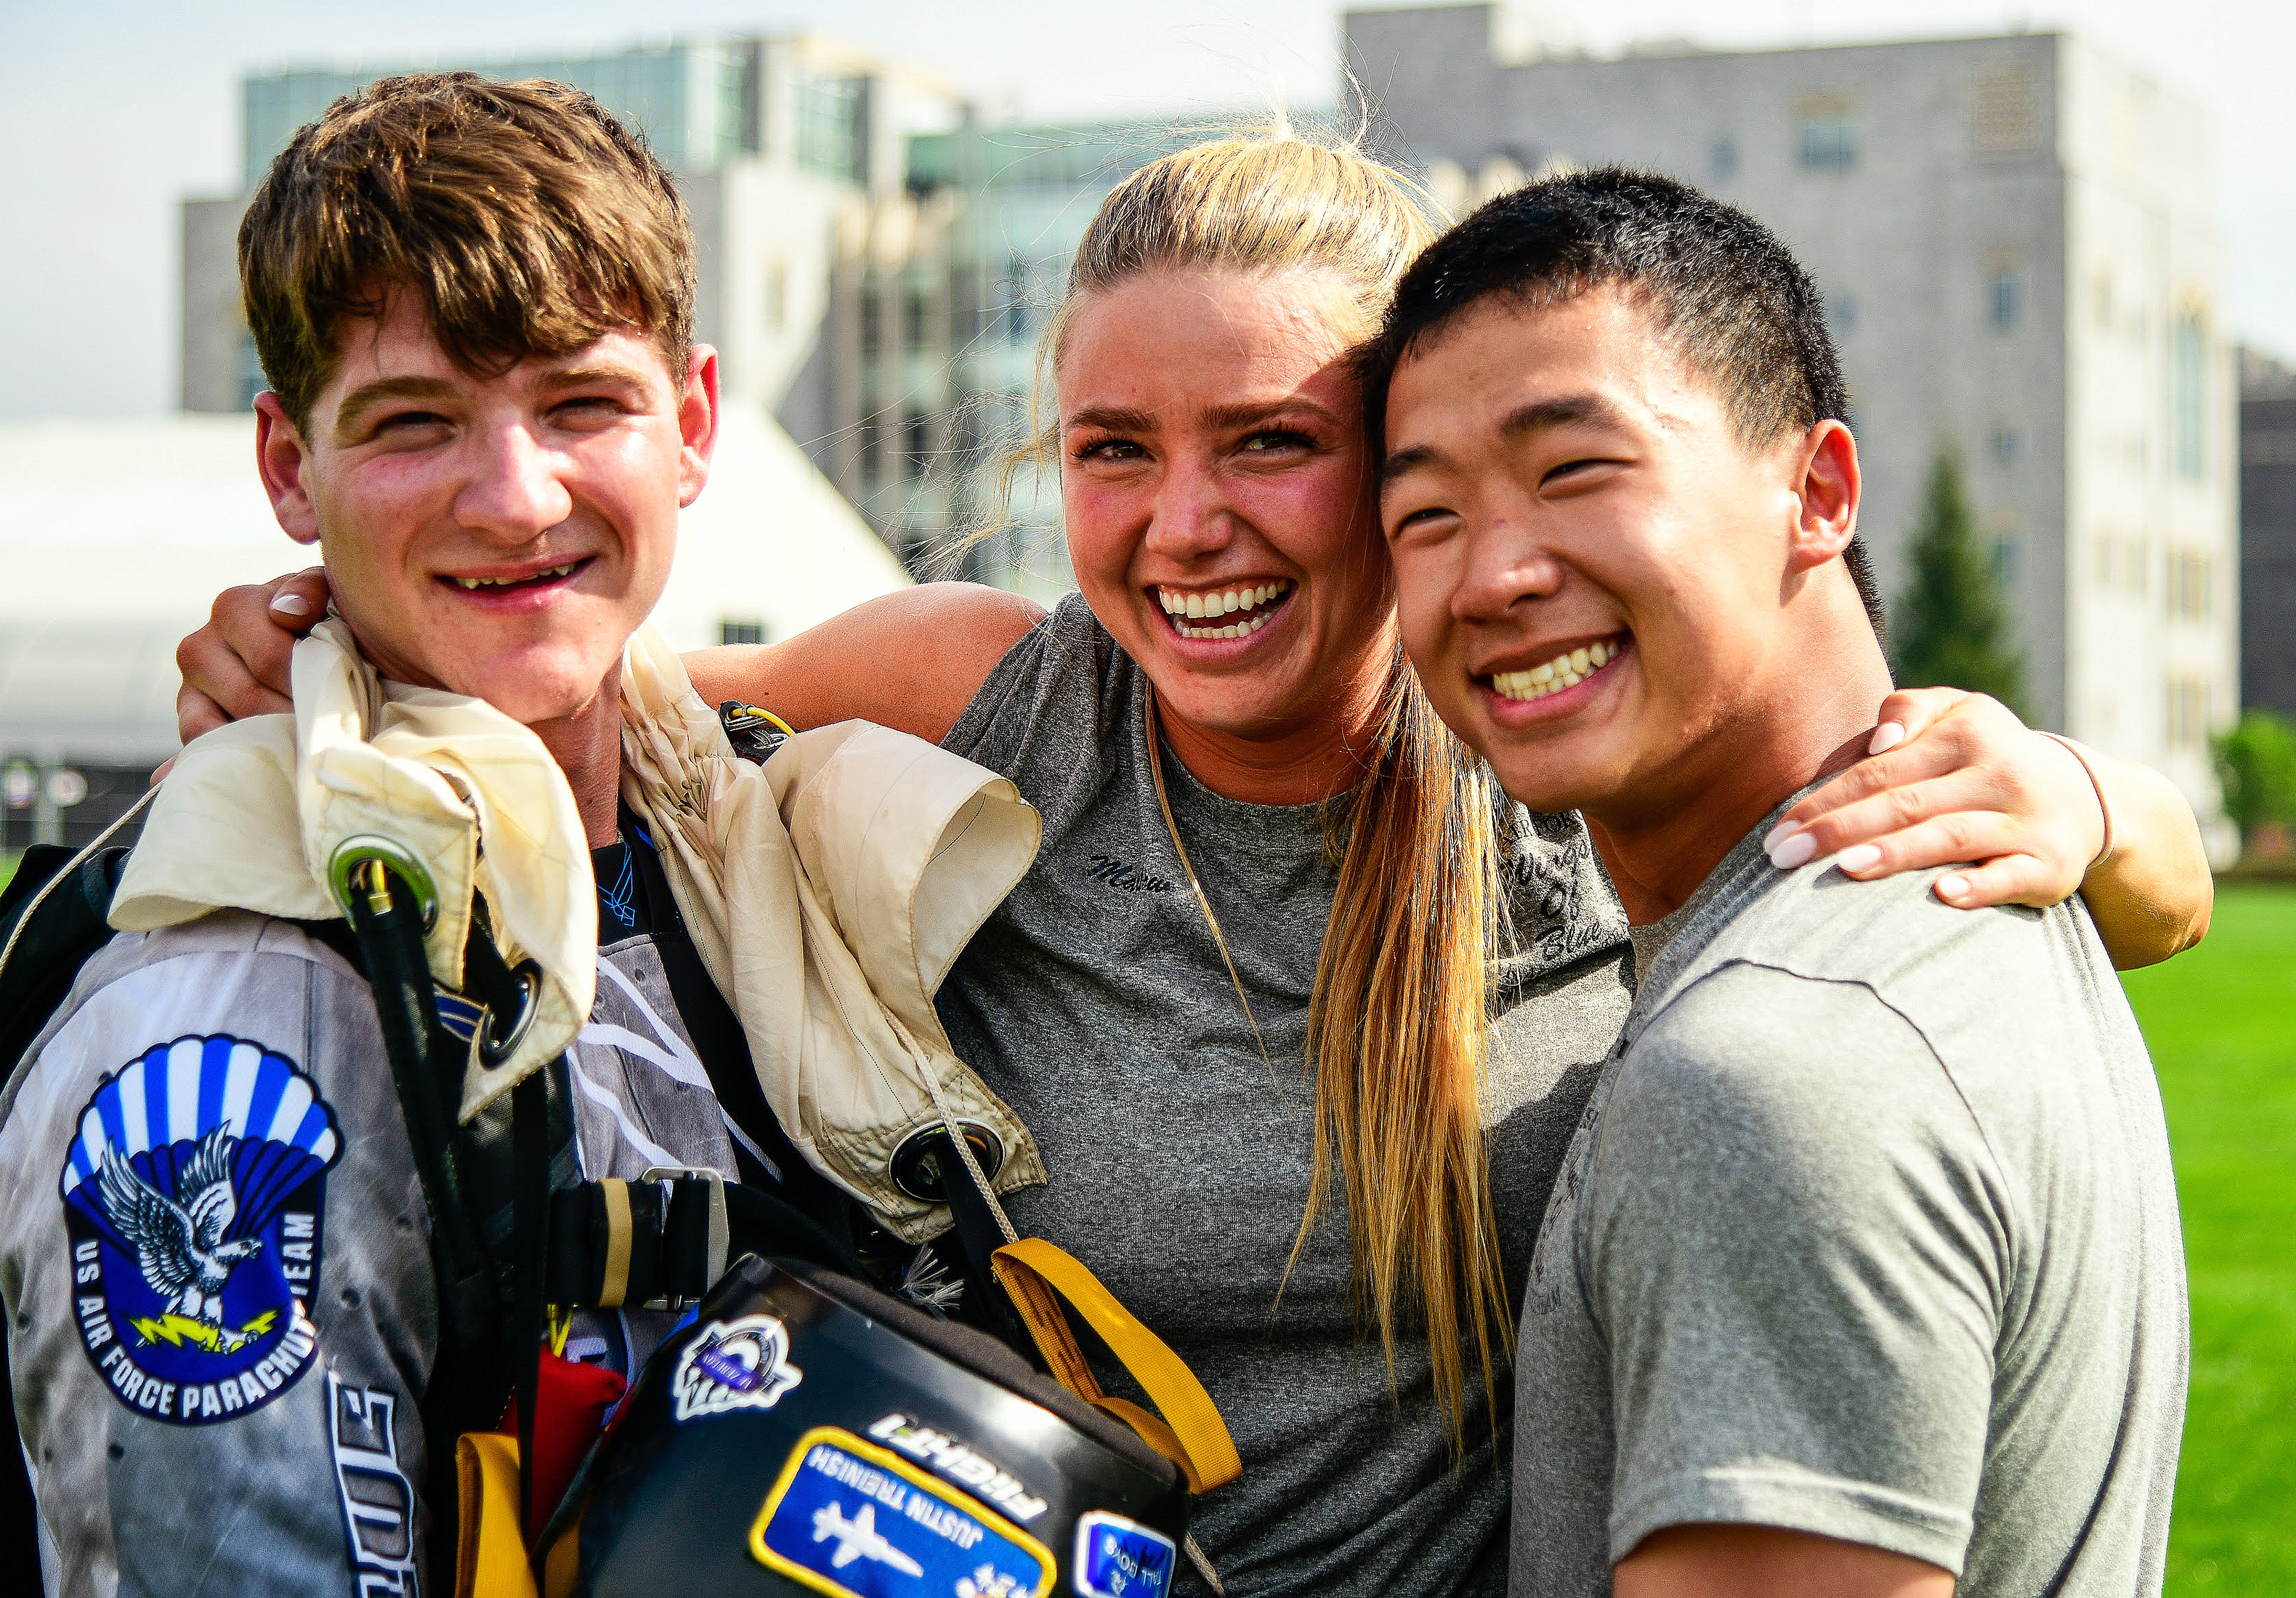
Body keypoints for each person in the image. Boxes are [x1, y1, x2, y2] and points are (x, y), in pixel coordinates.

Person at [174, 136, 2211, 1596]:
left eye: (1267, 439)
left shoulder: (1557, 746)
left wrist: (2098, 805)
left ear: (1405, 459)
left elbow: (1963, 866)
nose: (1182, 526)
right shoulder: (979, 698)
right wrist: (304, 644)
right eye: (1110, 450)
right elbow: (571, 678)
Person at [0, 73, 1044, 1594]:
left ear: (691, 424)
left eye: (581, 403)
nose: (515, 494)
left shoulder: (750, 851)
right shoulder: (226, 1039)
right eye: (416, 423)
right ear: (290, 465)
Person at [1369, 169, 2188, 1597]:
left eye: (1576, 469)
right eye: (1425, 516)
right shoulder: (1970, 896)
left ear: (1816, 492)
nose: (1490, 574)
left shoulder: (1769, 1071)